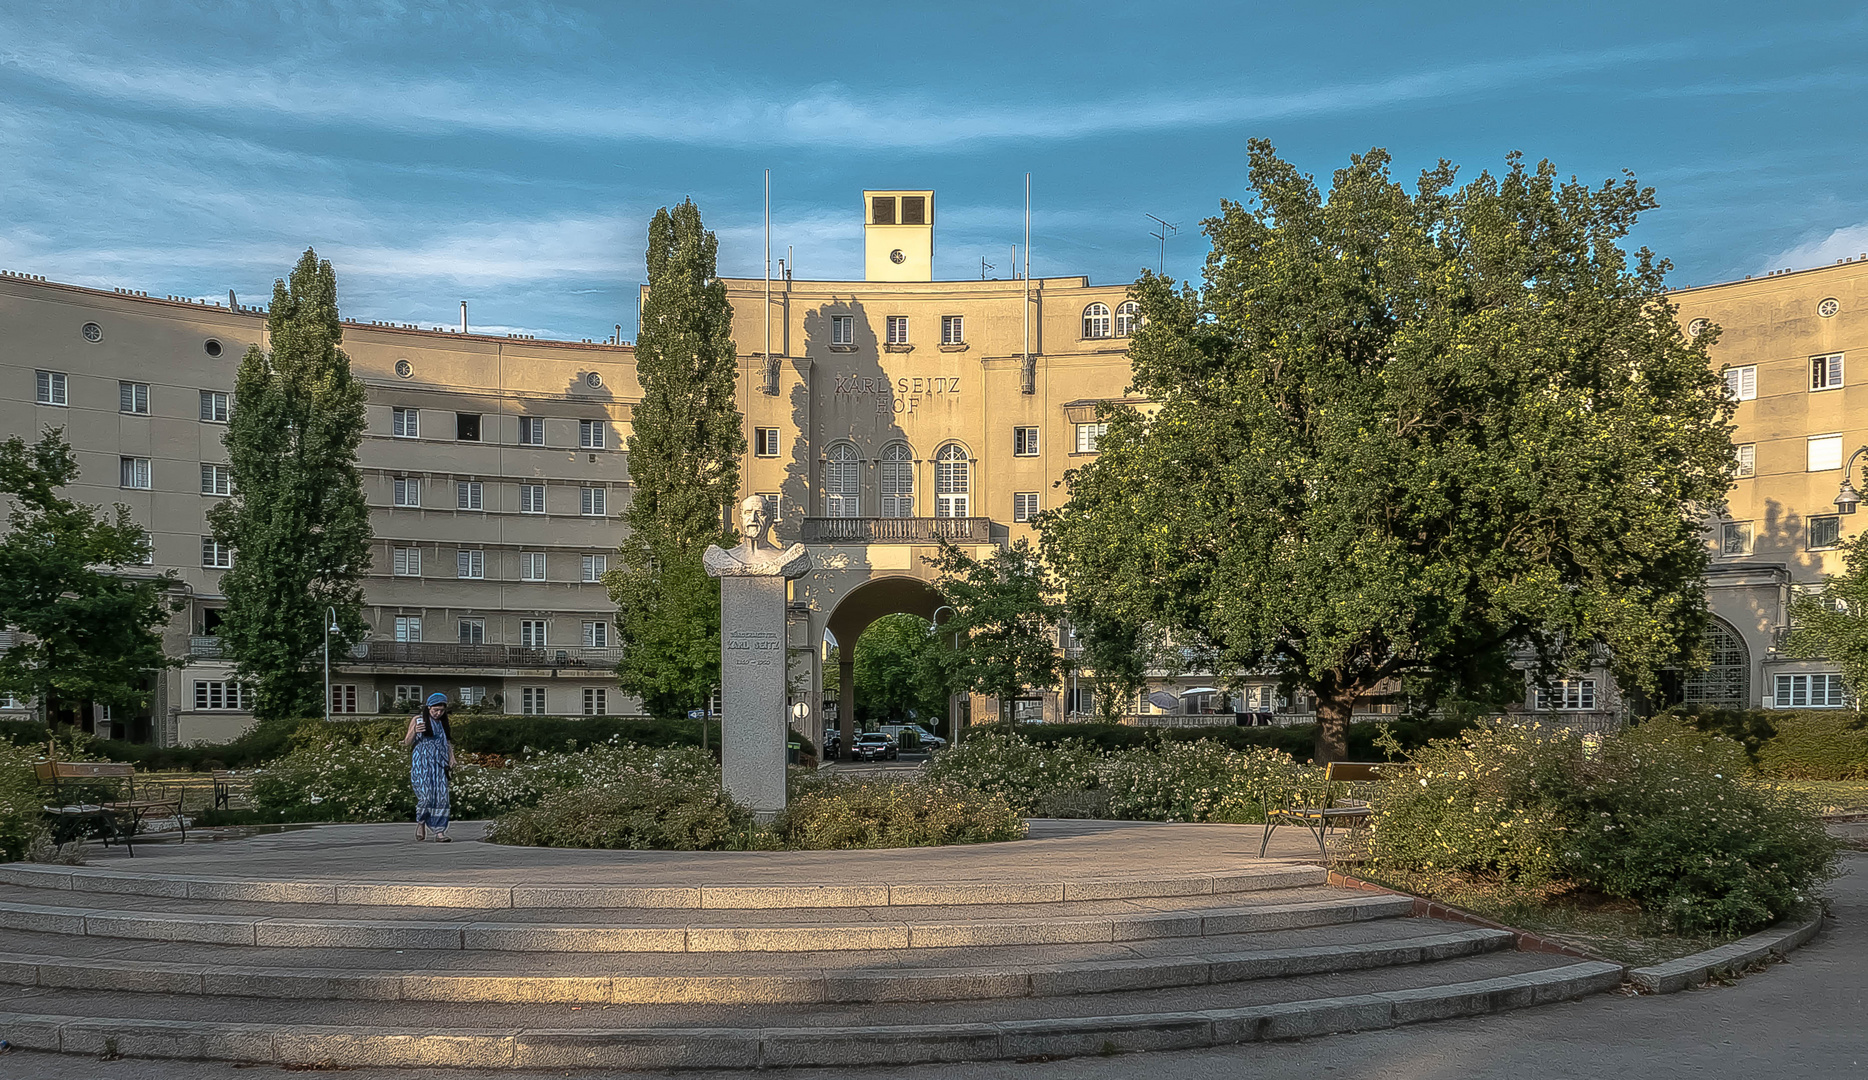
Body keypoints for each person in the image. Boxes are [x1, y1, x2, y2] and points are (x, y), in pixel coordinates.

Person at [402, 693, 456, 842]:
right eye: (435, 710)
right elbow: (406, 742)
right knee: (426, 796)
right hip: (422, 763)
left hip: (439, 763)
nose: (438, 713)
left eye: (441, 710)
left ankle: (439, 832)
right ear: (429, 708)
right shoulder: (418, 720)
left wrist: (452, 757)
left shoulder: (442, 723)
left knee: (441, 797)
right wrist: (415, 731)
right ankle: (421, 822)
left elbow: (447, 742)